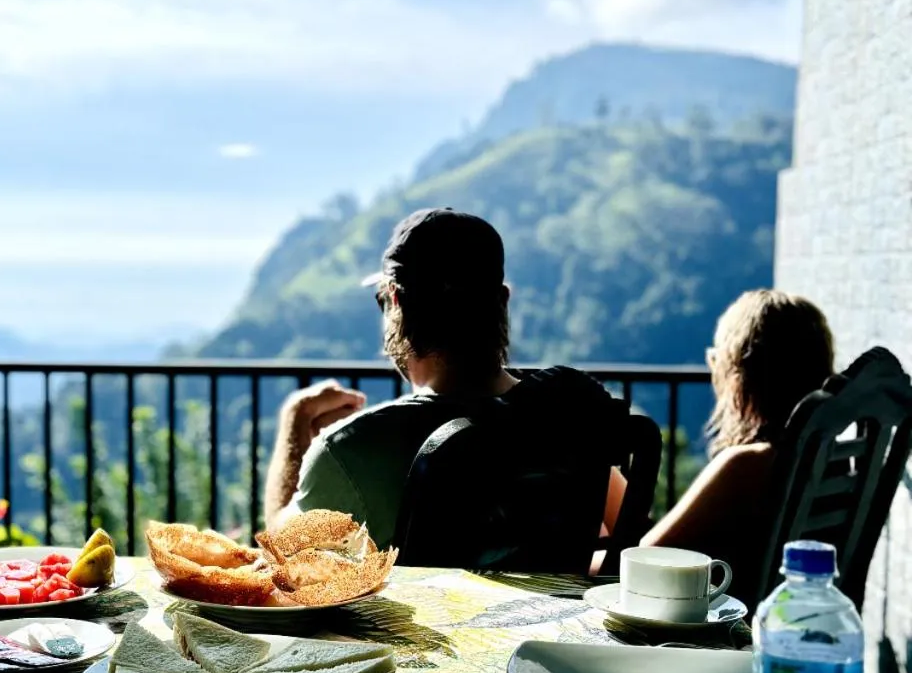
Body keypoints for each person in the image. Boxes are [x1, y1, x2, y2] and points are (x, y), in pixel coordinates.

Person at [263, 207, 626, 552]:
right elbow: (627, 530)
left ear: (395, 301)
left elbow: (283, 549)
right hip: (555, 616)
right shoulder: (566, 412)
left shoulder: (355, 450)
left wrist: (294, 424)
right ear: (502, 301)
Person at [636, 289, 835, 599]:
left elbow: (642, 566)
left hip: (712, 620)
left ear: (741, 374)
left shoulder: (749, 464)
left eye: (718, 359)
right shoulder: (825, 457)